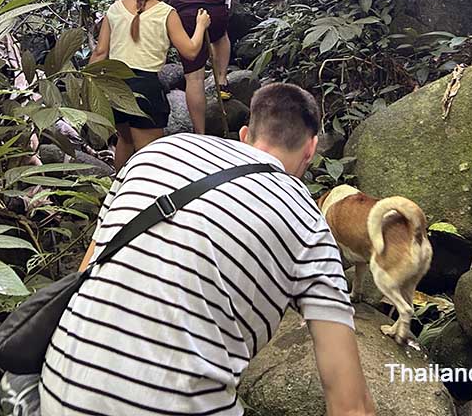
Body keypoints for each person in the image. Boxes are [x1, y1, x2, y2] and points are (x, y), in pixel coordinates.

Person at [39, 83, 376, 416]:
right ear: (311, 149)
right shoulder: (307, 219)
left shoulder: (159, 152)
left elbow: (86, 274)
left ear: (245, 134)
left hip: (56, 390)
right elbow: (350, 406)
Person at [89, 0, 210, 170]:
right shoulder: (166, 13)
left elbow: (100, 52)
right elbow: (190, 51)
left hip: (115, 85)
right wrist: (201, 25)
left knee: (124, 143)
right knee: (150, 155)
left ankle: (118, 191)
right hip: (145, 87)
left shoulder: (115, 9)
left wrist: (89, 87)